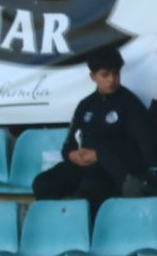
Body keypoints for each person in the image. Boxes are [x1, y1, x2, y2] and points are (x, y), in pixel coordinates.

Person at [33, 47, 156, 216]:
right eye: (105, 75)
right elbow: (69, 145)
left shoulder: (131, 105)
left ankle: (93, 237)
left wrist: (100, 156)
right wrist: (71, 155)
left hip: (112, 168)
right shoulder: (85, 106)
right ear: (93, 76)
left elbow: (144, 151)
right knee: (43, 183)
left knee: (91, 186)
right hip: (81, 166)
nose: (112, 80)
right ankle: (54, 232)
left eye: (116, 74)